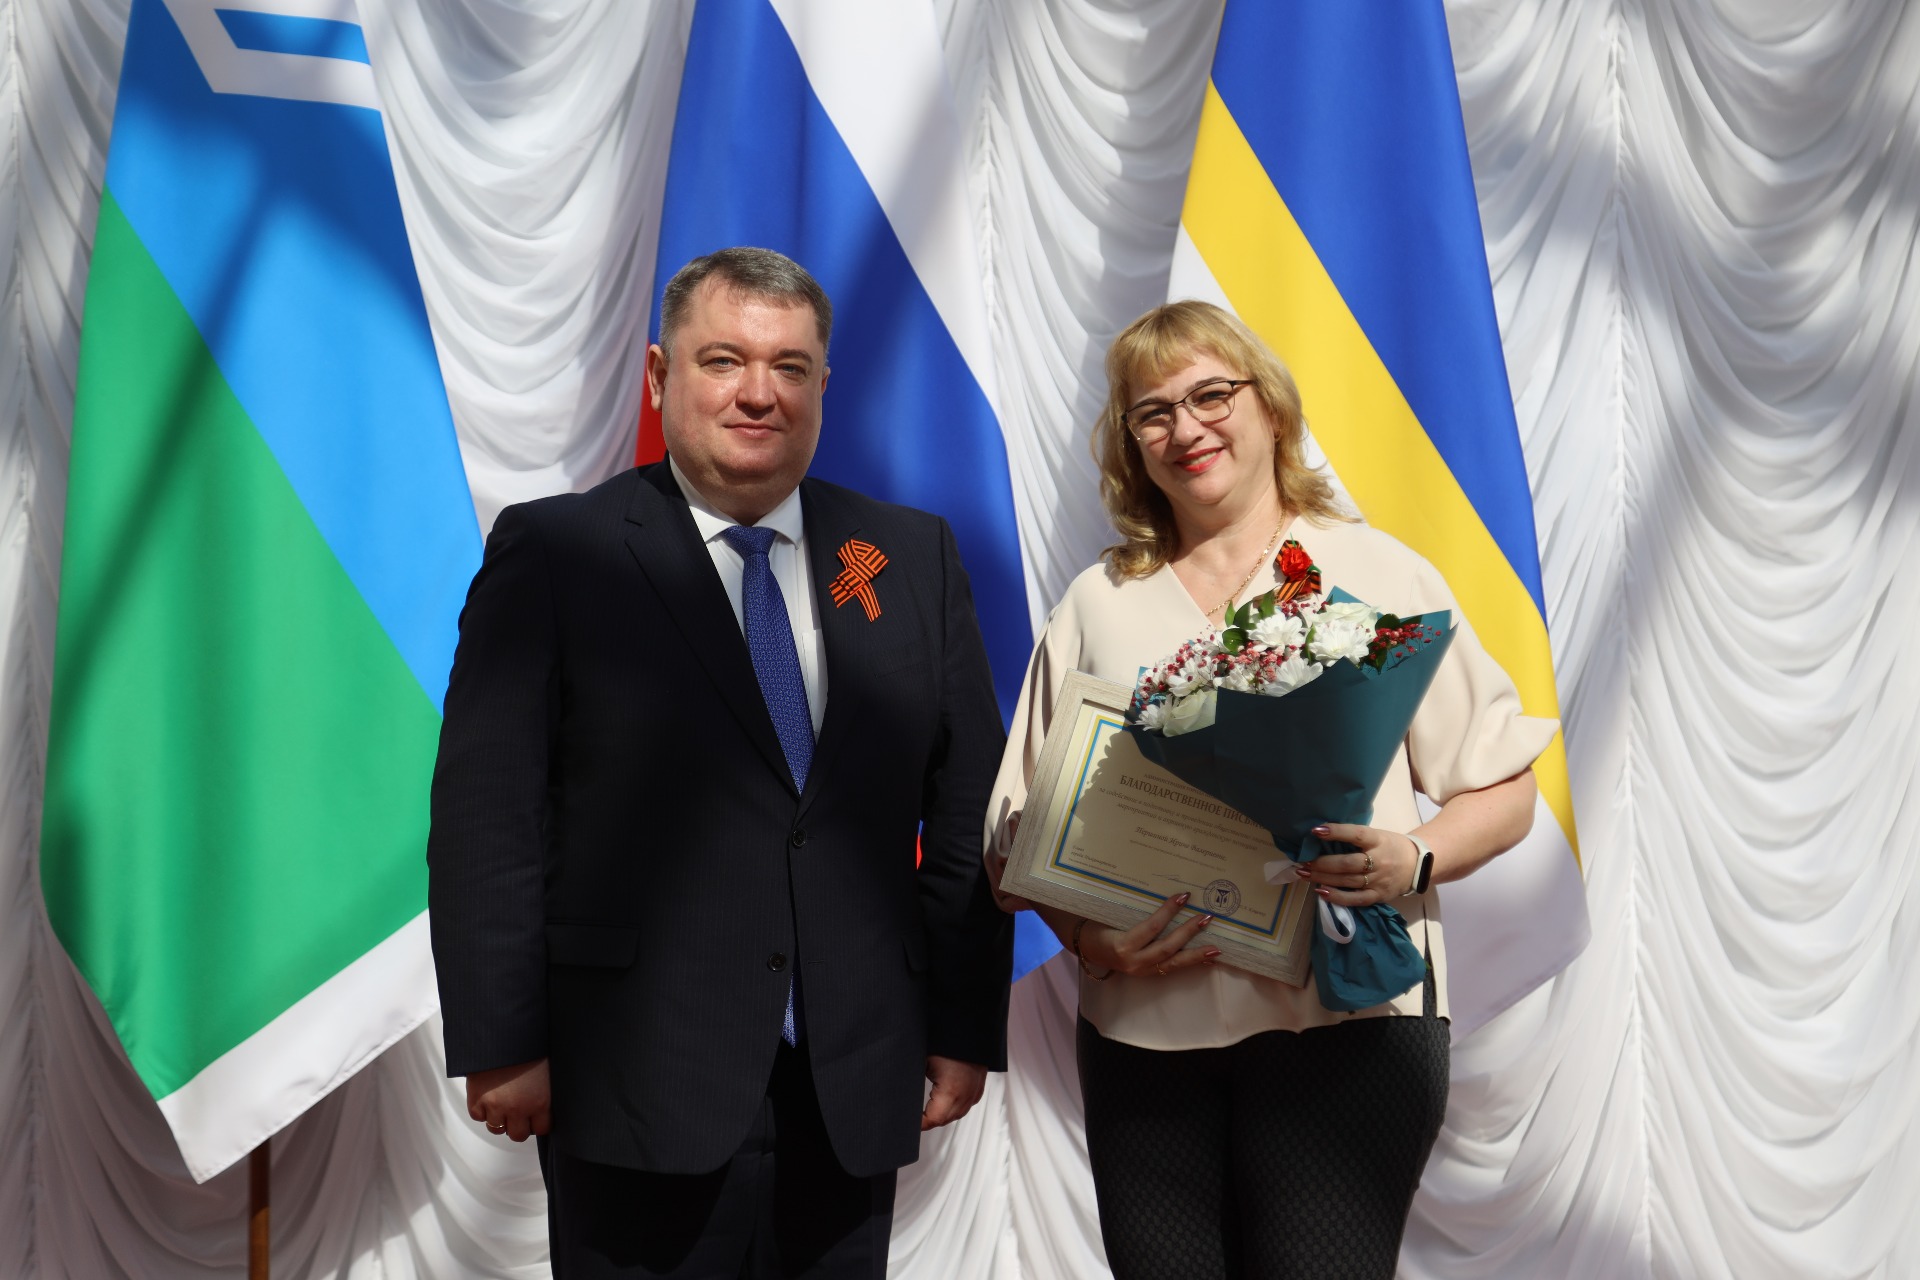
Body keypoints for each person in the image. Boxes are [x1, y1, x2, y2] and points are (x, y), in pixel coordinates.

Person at [429, 246, 1012, 1279]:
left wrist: (964, 1022)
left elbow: (966, 807)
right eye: (724, 360)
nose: (758, 392)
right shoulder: (557, 552)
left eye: (790, 367)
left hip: (851, 1078)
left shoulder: (909, 554)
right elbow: (489, 814)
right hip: (631, 1074)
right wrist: (502, 1037)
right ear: (660, 375)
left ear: (823, 385)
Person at [986, 300, 1556, 1279]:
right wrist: (1088, 940)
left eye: (1212, 394)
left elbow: (1504, 789)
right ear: (1130, 444)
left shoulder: (1378, 574)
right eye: (1153, 411)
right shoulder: (1099, 602)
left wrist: (1415, 856)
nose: (1187, 428)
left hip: (1349, 1024)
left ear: (1273, 409)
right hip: (1146, 1032)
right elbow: (1013, 843)